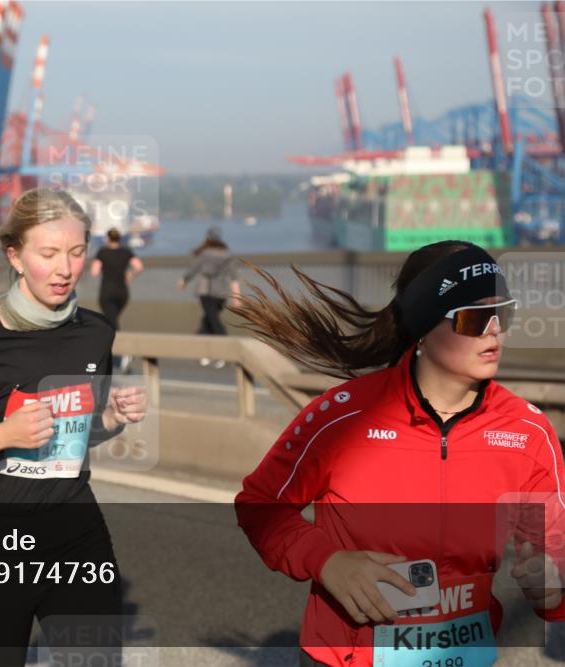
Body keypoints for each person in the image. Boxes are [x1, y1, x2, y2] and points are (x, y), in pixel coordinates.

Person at [229, 240, 564, 667]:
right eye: (474, 318)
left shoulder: (527, 431)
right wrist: (327, 562)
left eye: (503, 314)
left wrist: (553, 589)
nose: (494, 330)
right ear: (424, 327)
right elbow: (261, 506)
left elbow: (552, 550)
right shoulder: (343, 416)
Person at [0, 188, 148, 666]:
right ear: (15, 256)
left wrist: (111, 419)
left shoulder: (97, 333)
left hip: (78, 534)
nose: (65, 269)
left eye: (77, 252)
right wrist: (1, 437)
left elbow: (80, 433)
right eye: (49, 254)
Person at [178, 225, 240, 368]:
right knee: (207, 320)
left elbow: (193, 269)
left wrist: (183, 281)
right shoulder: (228, 255)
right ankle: (204, 353)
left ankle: (224, 353)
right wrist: (237, 297)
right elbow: (234, 278)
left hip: (206, 291)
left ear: (208, 238)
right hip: (222, 293)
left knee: (213, 321)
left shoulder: (205, 254)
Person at [90, 227, 143, 373]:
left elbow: (94, 272)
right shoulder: (126, 252)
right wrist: (131, 275)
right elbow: (139, 266)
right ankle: (115, 354)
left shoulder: (102, 252)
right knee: (112, 321)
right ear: (120, 238)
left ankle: (122, 353)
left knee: (111, 323)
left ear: (107, 238)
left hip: (107, 292)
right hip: (123, 293)